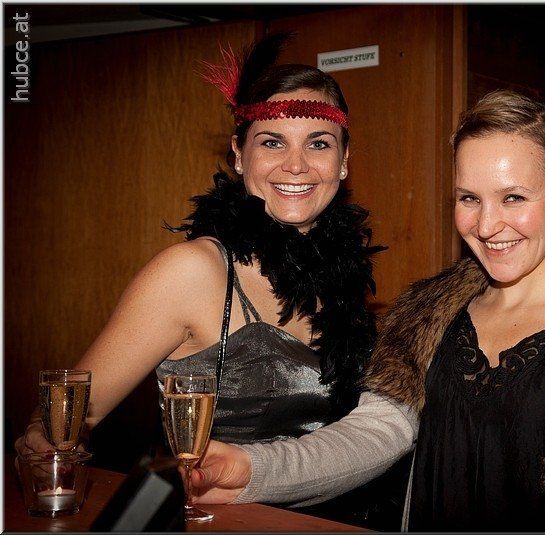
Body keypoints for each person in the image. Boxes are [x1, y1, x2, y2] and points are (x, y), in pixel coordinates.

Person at [190, 90, 545, 532]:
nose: (486, 225)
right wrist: (250, 467)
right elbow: (373, 433)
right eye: (469, 199)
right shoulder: (428, 316)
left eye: (514, 197)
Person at [14, 36, 401, 527]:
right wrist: (51, 472)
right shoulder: (192, 271)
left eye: (318, 143)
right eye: (272, 142)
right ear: (239, 155)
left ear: (343, 161)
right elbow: (62, 420)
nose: (296, 164)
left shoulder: (340, 280)